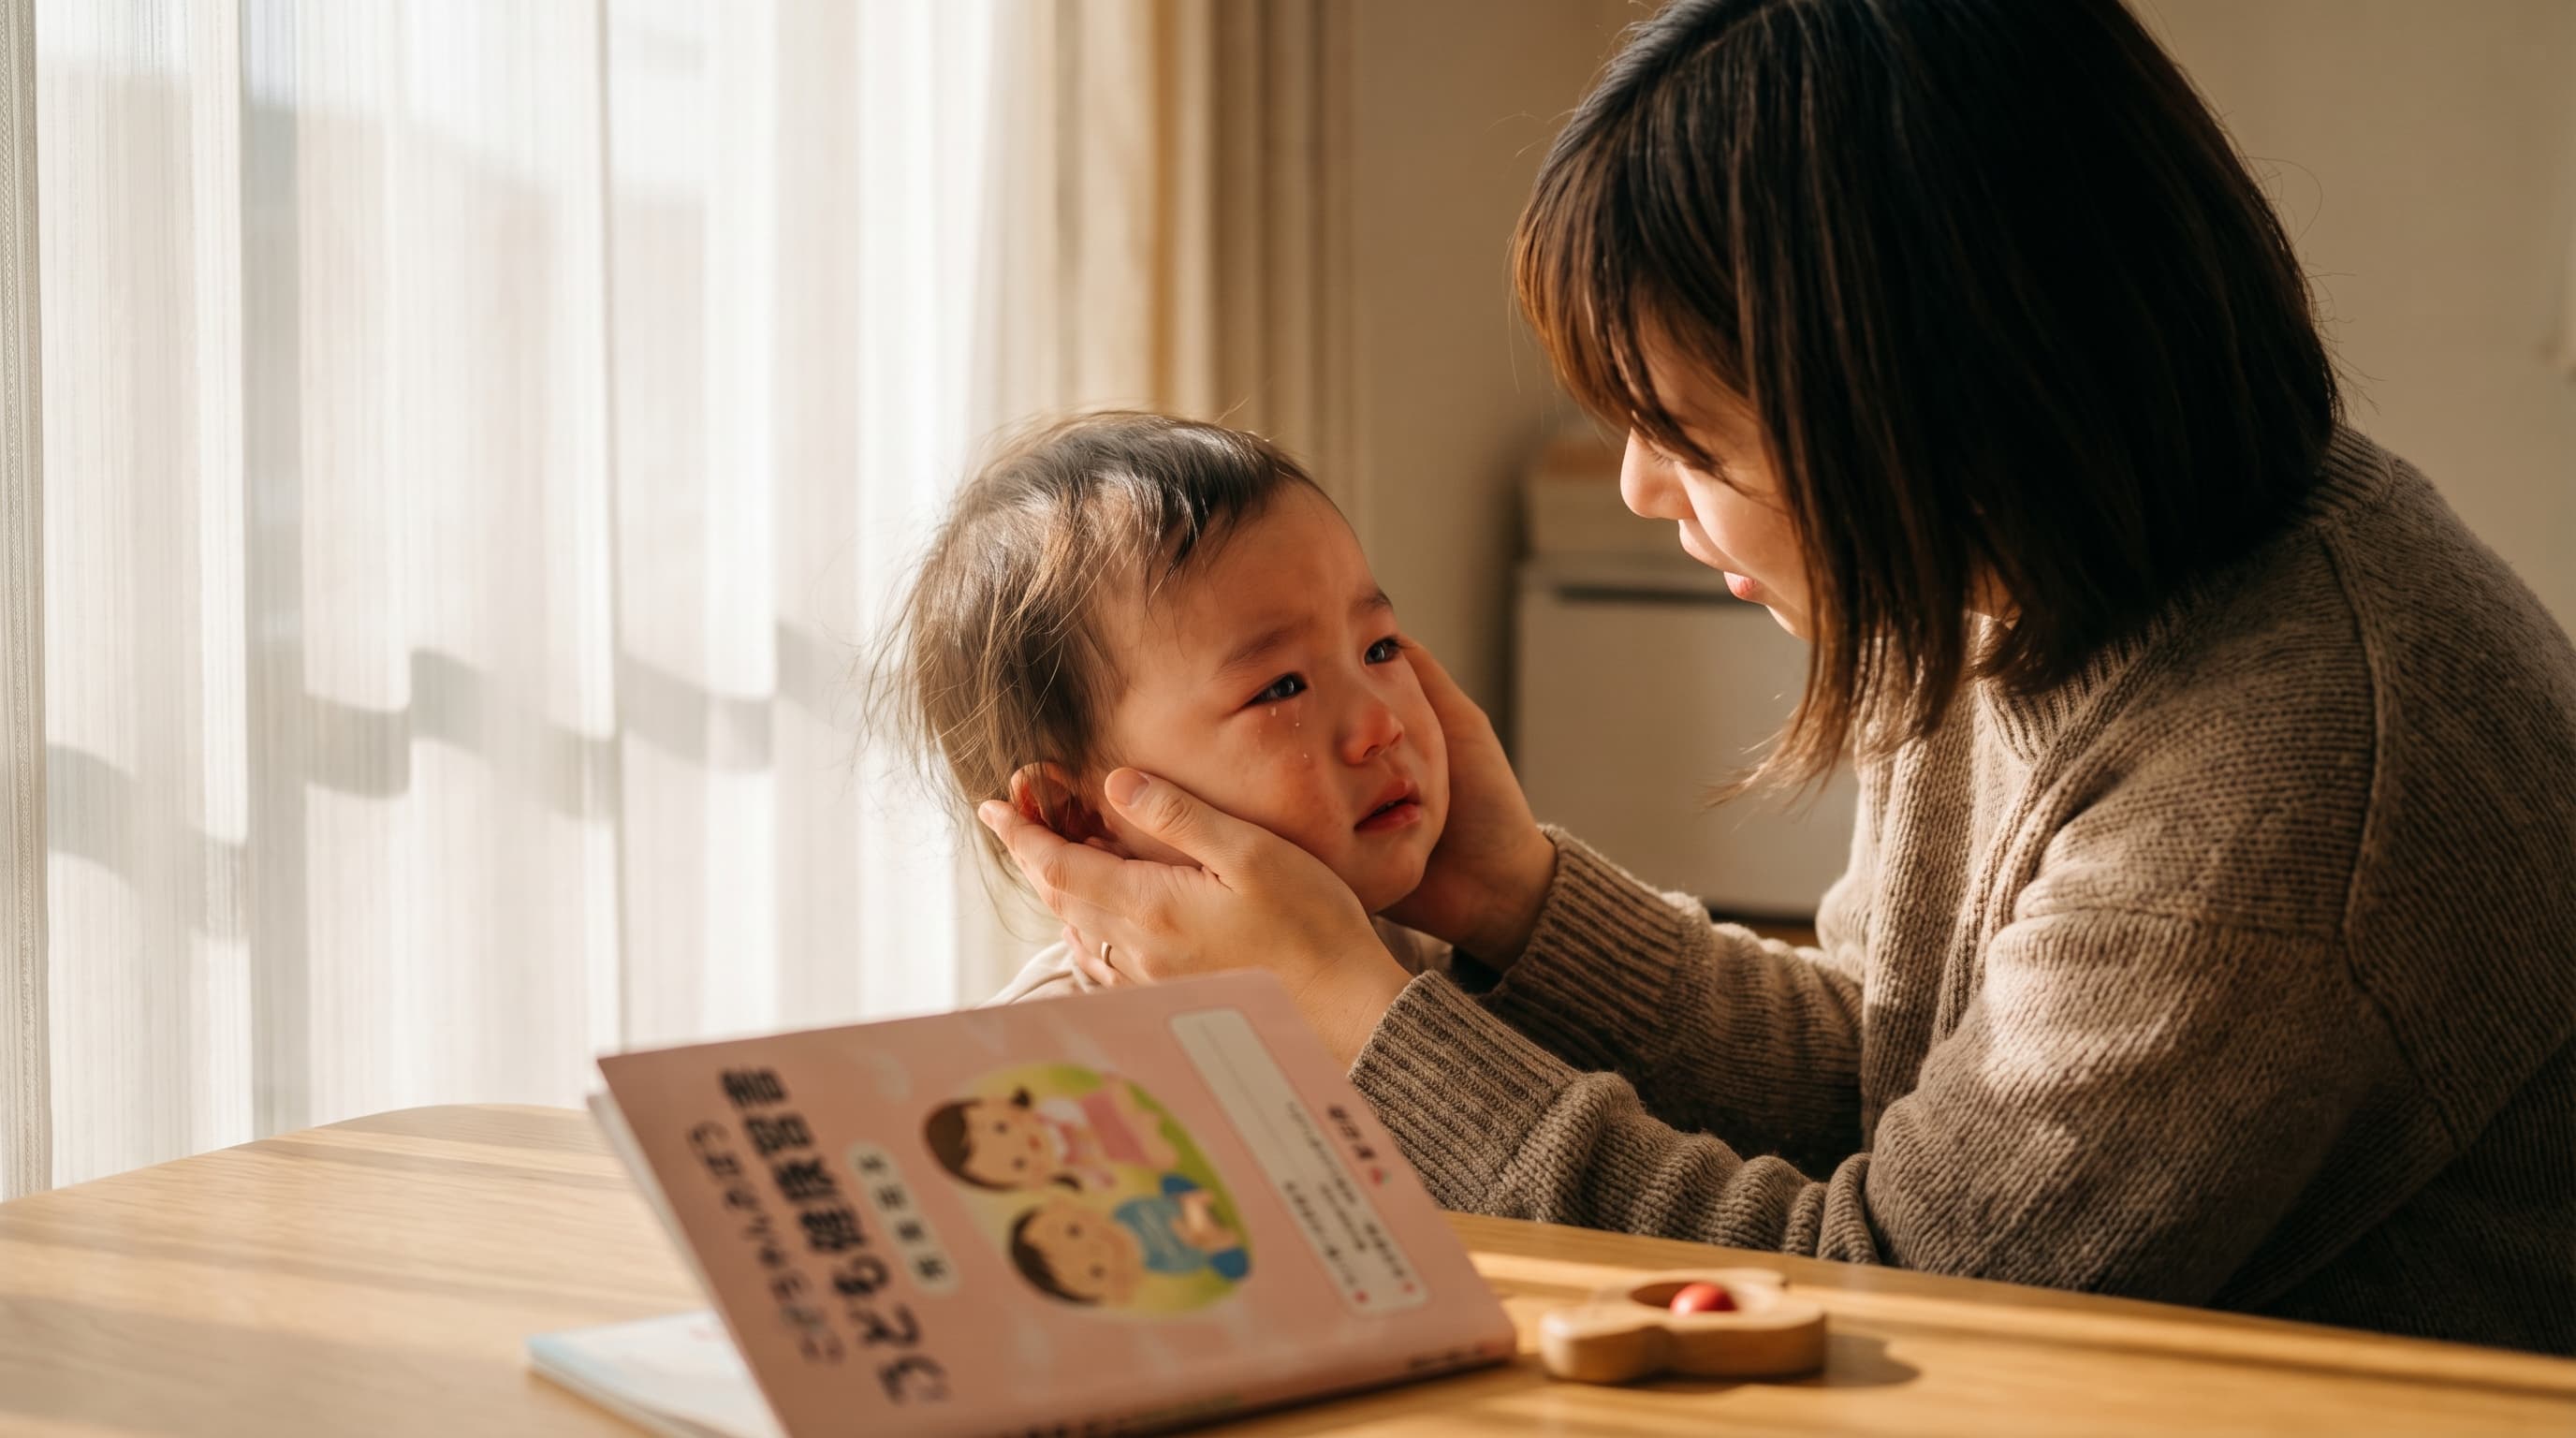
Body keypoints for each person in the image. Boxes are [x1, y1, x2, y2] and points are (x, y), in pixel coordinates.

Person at [973, 0, 2576, 1354]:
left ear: (1923, 401)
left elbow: (1899, 1303)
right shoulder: (2036, 570)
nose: (1639, 491)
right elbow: (1906, 1086)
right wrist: (1515, 901)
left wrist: (1366, 1025)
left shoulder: (2293, 782)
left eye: (1688, 434)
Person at [871, 410, 1453, 1025]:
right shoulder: (1045, 1060)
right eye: (1282, 688)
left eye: (1380, 649)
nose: (1382, 725)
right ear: (1075, 813)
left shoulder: (1456, 975)